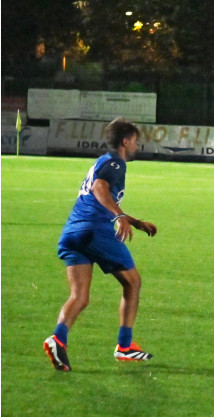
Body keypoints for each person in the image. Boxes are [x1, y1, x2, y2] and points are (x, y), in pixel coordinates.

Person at [44, 118, 157, 372]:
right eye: (136, 141)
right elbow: (99, 188)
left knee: (79, 296)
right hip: (95, 230)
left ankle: (58, 339)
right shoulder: (116, 163)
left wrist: (135, 222)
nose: (138, 146)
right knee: (133, 282)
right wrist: (118, 217)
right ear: (125, 142)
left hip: (72, 232)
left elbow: (99, 194)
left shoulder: (101, 162)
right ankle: (125, 347)